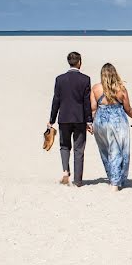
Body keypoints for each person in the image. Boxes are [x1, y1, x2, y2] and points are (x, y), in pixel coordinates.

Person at [89, 63, 132, 191]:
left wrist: (91, 123)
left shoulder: (96, 88)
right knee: (118, 151)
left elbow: (93, 109)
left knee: (105, 151)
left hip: (100, 122)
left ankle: (113, 177)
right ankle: (115, 182)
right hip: (117, 122)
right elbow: (128, 109)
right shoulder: (121, 89)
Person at [48, 51, 92, 186]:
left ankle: (65, 171)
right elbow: (86, 103)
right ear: (79, 62)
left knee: (64, 146)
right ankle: (78, 181)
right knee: (79, 149)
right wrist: (89, 120)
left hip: (64, 117)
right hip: (79, 118)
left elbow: (56, 100)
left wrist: (51, 120)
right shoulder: (85, 79)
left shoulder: (59, 79)